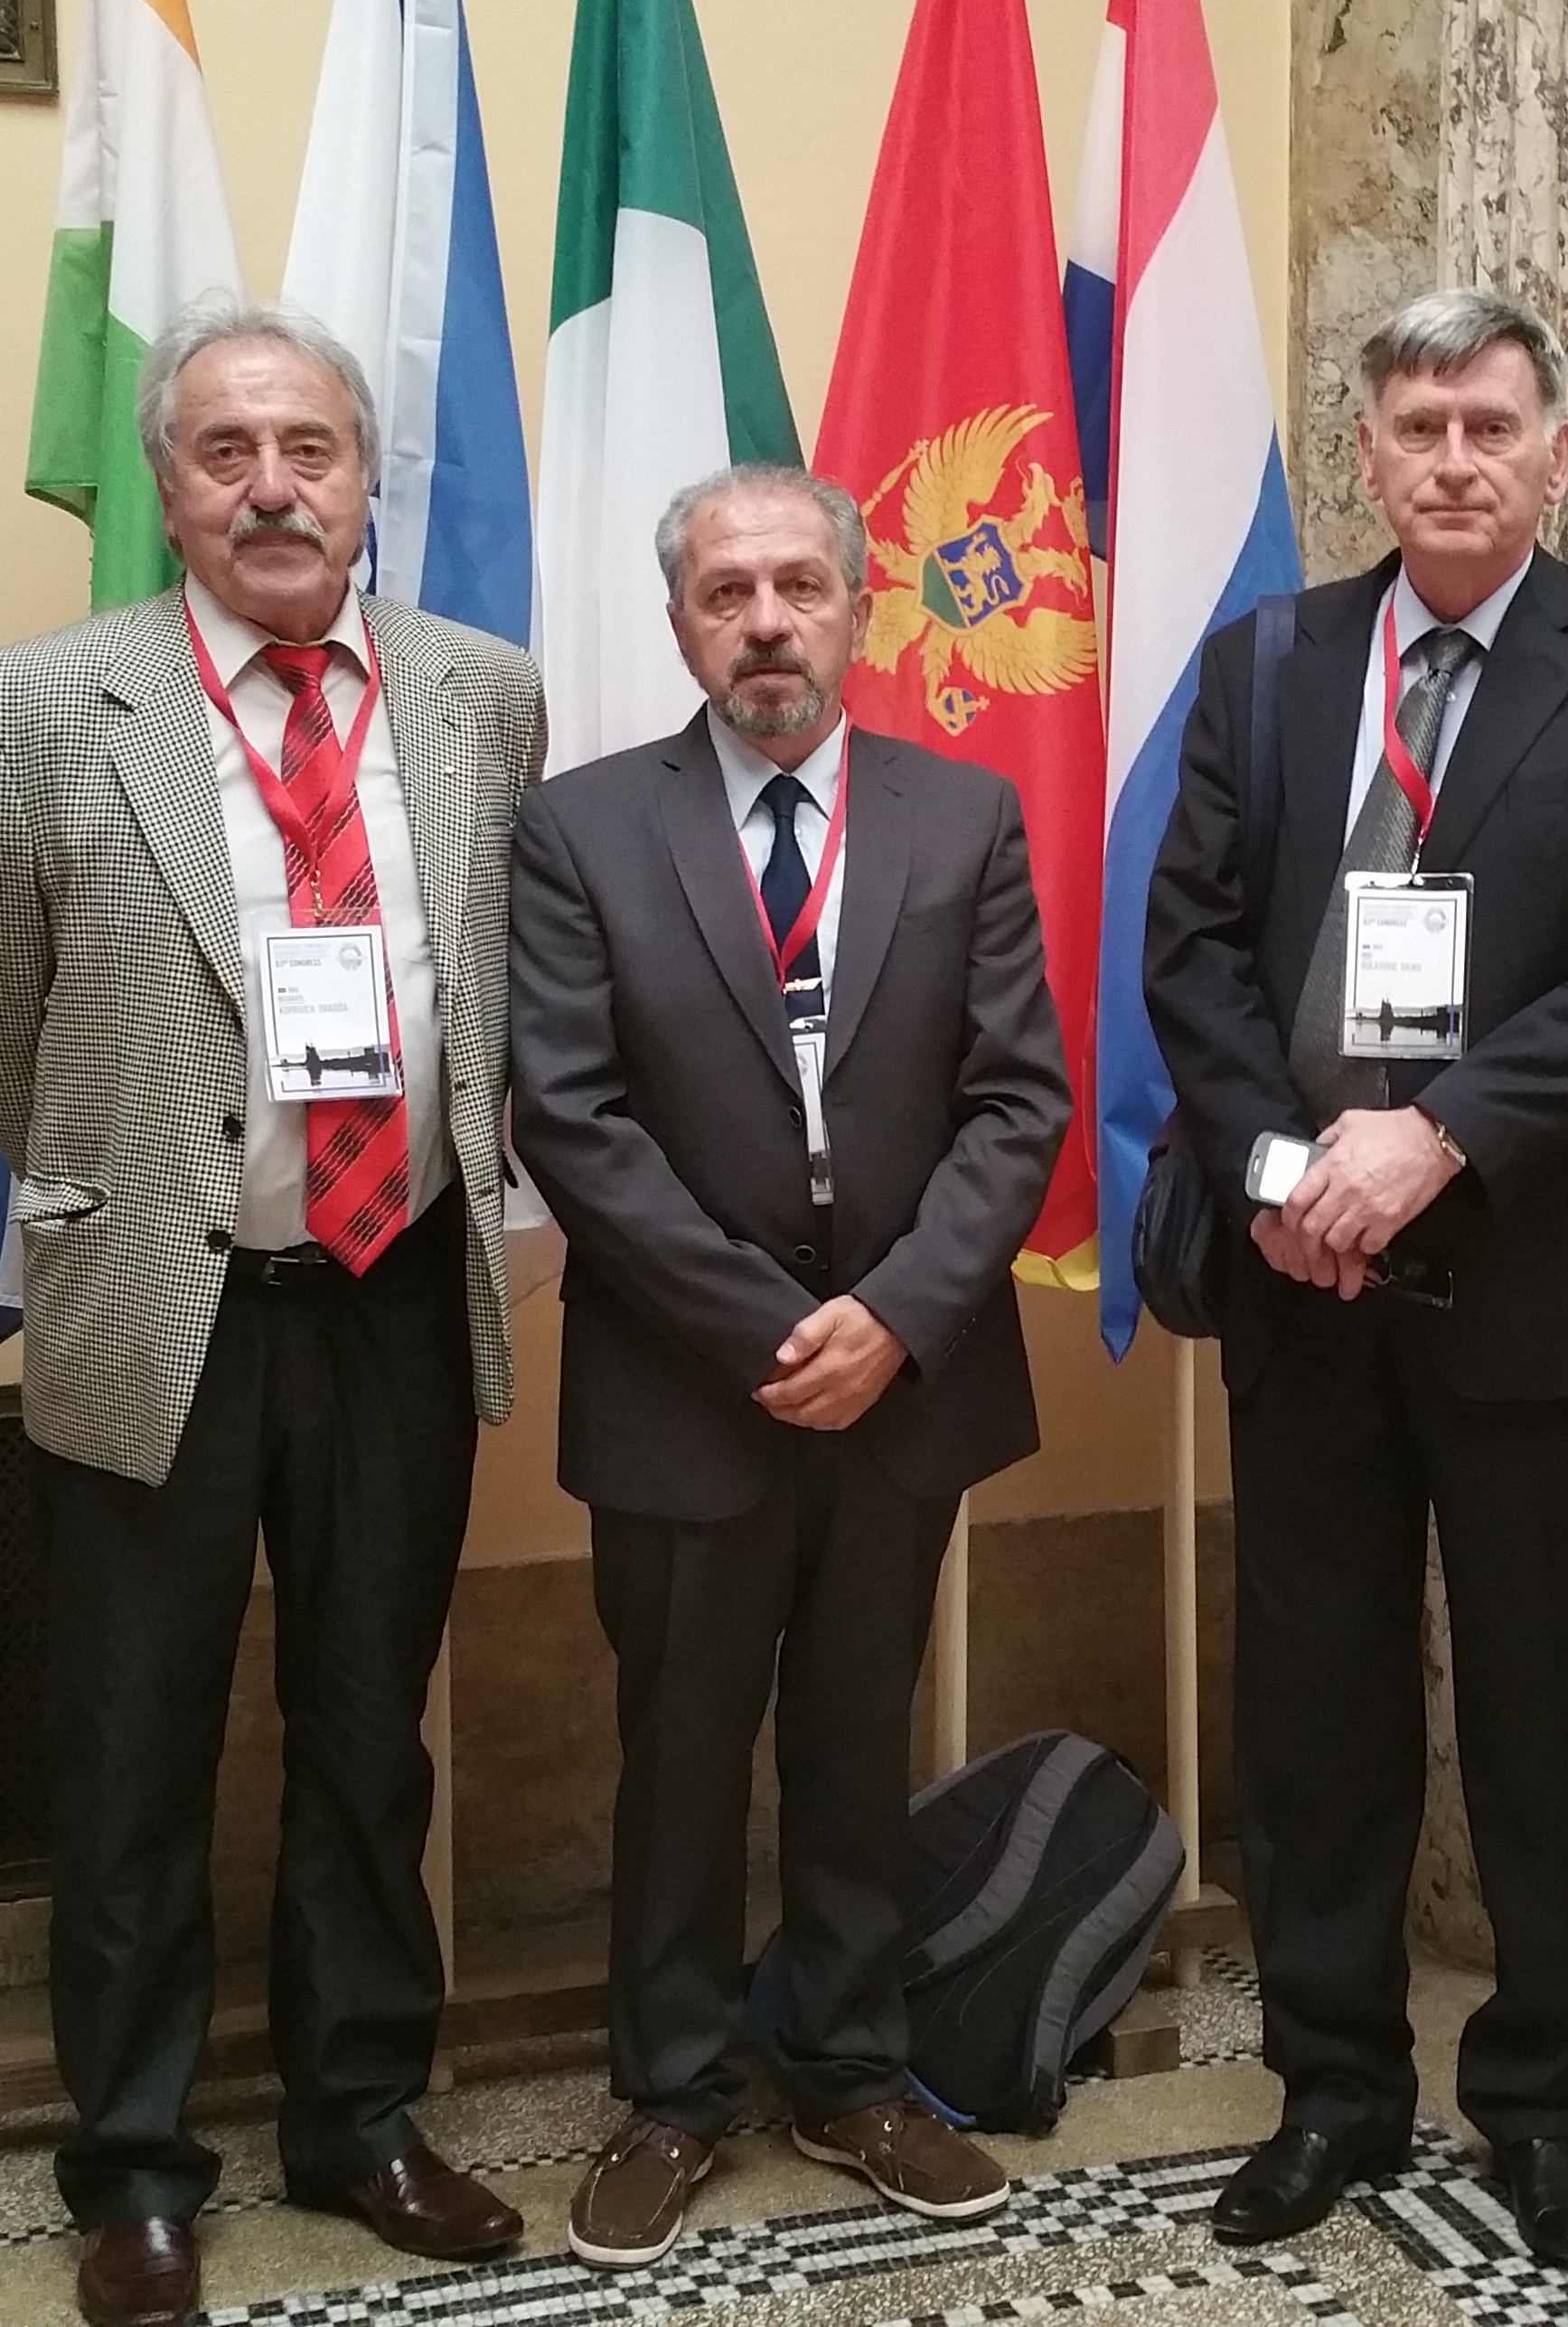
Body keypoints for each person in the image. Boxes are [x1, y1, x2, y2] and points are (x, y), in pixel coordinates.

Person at [0, 295, 544, 2327]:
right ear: (168, 489)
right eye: (226, 451)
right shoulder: (38, 708)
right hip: (158, 1305)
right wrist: (127, 1174)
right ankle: (135, 2166)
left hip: (391, 1292)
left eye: (310, 449)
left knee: (370, 1737)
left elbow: (497, 980)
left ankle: (360, 2118)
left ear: (363, 480)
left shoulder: (481, 696)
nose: (273, 488)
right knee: (133, 1751)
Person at [1141, 289, 1568, 2273]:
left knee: (1544, 1712)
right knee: (1314, 1706)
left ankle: (1544, 2107)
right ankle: (1332, 2086)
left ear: (1560, 451)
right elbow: (1190, 943)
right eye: (1419, 427)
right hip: (1303, 1276)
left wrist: (1442, 1136)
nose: (1455, 460)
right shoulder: (1266, 663)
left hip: (1537, 1287)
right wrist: (1285, 1165)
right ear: (1369, 458)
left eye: (1492, 425)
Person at [505, 463, 1073, 2268]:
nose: (766, 623)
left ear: (857, 606)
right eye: (727, 592)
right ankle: (672, 2092)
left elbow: (1019, 1101)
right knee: (678, 1749)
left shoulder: (962, 815)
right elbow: (569, 1116)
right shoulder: (584, 829)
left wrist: (892, 1318)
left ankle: (850, 2070)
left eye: (799, 587)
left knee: (854, 1735)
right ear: (682, 622)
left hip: (901, 1380)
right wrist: (765, 1328)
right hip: (692, 1385)